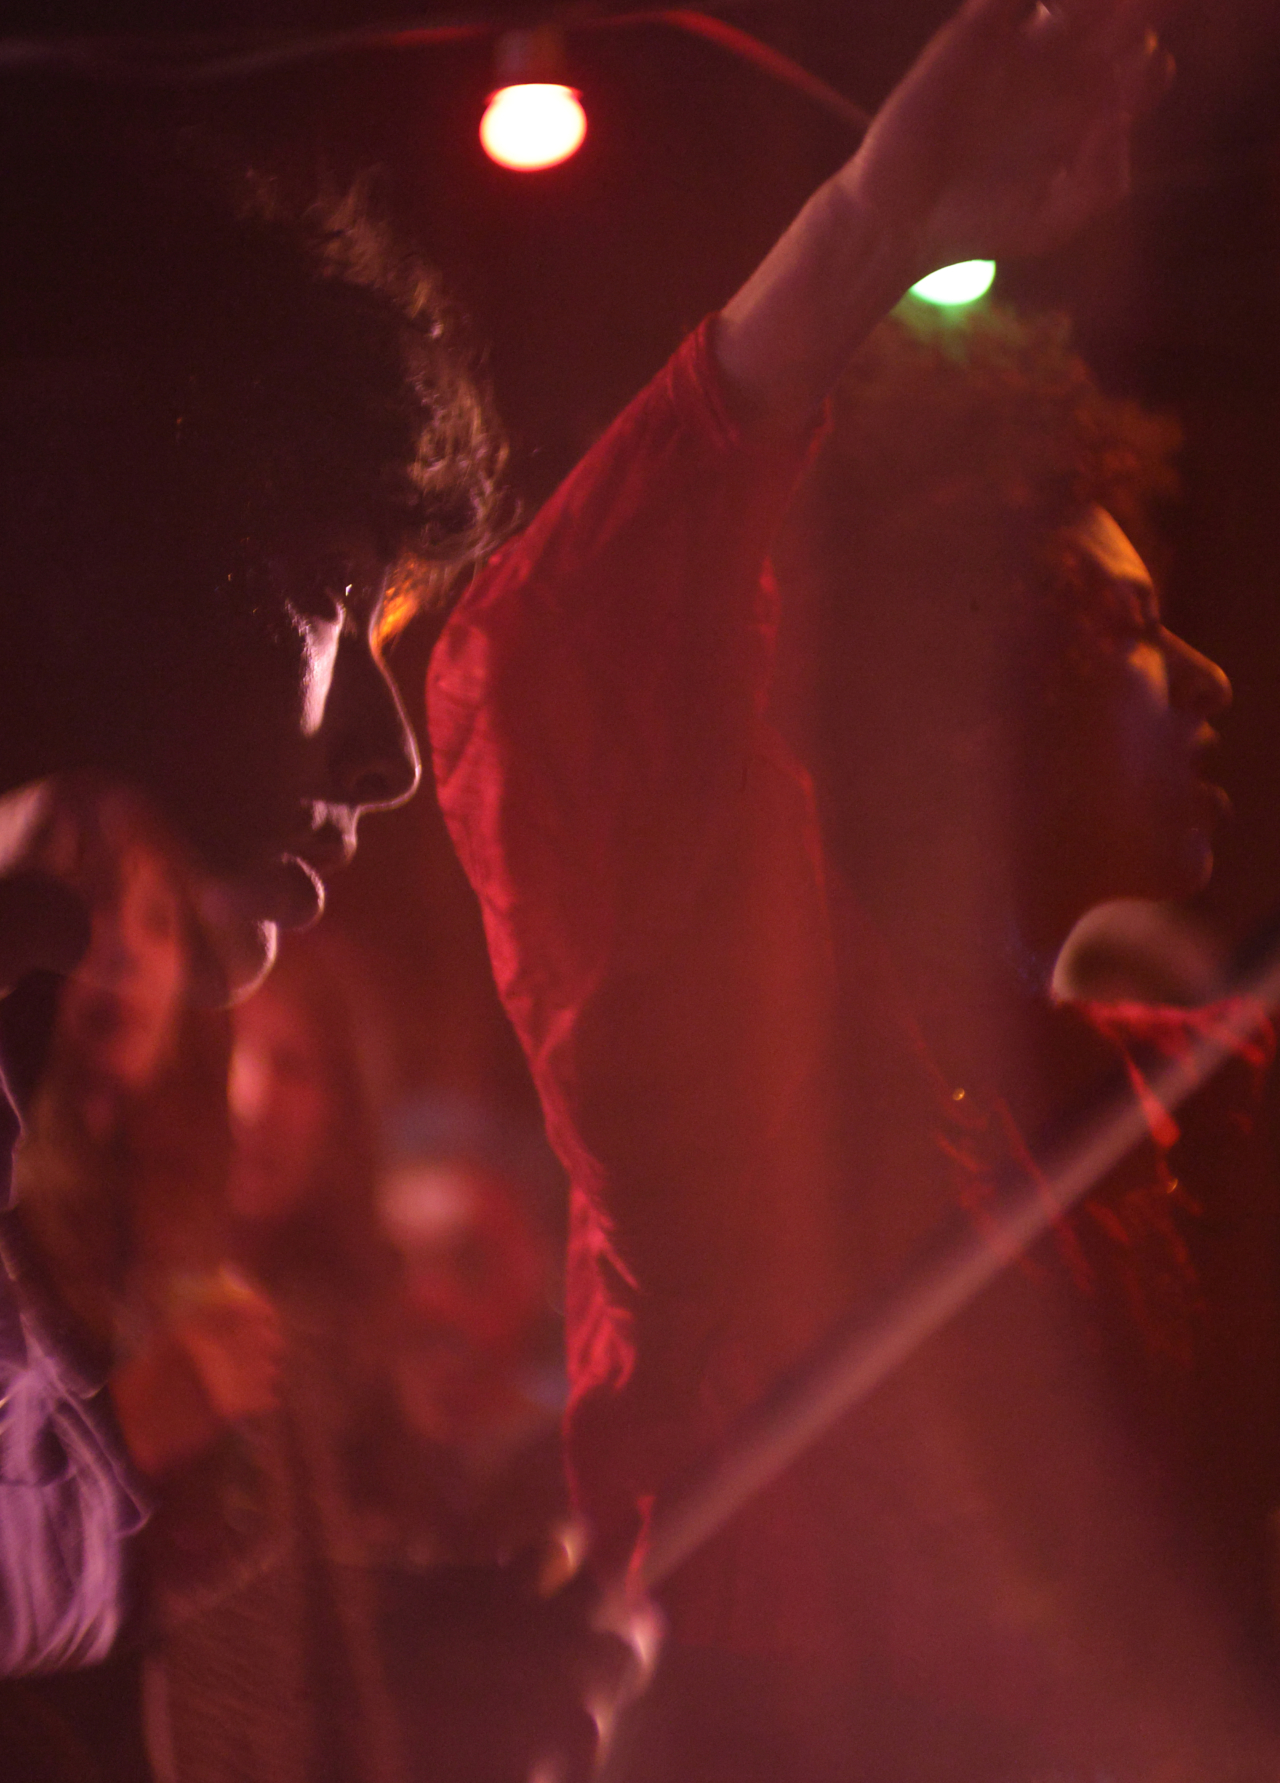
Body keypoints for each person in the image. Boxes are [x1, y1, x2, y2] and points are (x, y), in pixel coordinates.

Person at [427, 0, 1280, 1775]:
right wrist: (867, 236)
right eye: (1132, 625)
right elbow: (553, 665)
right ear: (974, 705)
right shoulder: (760, 1069)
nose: (1203, 680)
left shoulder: (1120, 1090)